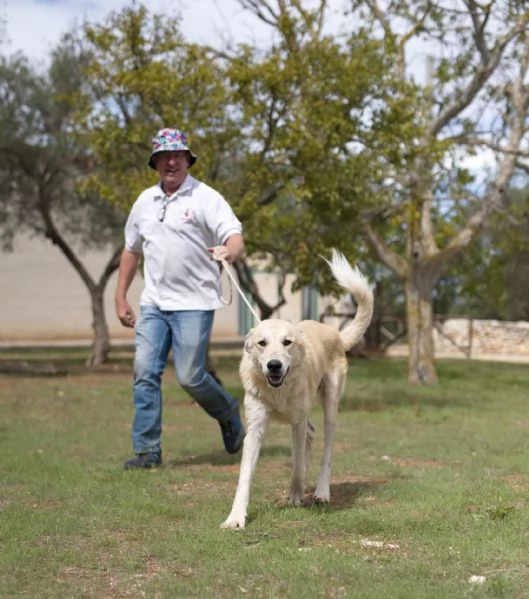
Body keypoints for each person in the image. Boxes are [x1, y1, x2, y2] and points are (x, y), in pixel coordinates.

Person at [115, 127, 245, 469]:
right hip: (154, 303)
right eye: (164, 156)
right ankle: (147, 452)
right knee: (144, 371)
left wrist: (228, 252)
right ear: (155, 162)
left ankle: (228, 412)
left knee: (190, 376)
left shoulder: (206, 198)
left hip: (195, 303)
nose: (171, 161)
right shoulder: (144, 201)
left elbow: (234, 236)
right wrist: (120, 296)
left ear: (188, 159)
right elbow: (131, 251)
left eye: (178, 155)